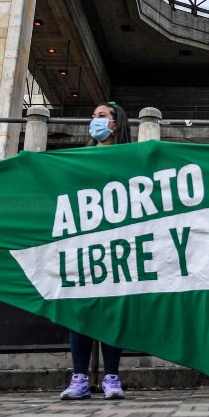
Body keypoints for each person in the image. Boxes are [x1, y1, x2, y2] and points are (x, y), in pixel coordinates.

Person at [61, 101, 131, 400]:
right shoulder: (80, 159)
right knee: (81, 310)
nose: (94, 121)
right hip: (85, 243)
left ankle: (111, 378)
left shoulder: (130, 158)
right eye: (93, 117)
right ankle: (79, 378)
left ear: (115, 124)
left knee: (112, 312)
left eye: (101, 116)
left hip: (118, 244)